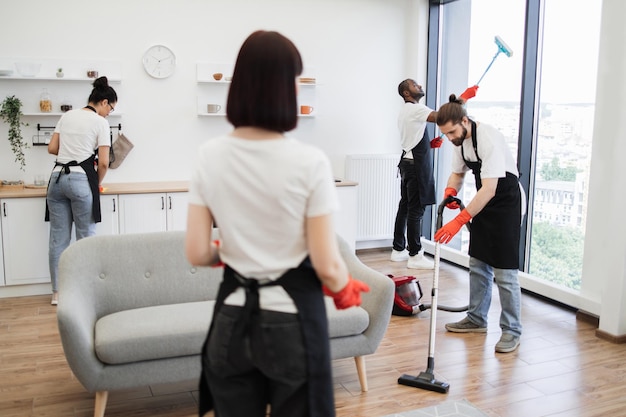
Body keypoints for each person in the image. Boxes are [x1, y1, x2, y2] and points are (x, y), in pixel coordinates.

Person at [185, 30, 370, 417]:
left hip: (231, 319)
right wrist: (344, 289)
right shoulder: (309, 162)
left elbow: (198, 252)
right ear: (285, 89)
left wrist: (227, 253)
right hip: (291, 325)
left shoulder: (209, 156)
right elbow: (325, 262)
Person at [434, 94, 523, 353]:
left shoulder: (488, 137)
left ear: (465, 120)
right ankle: (476, 319)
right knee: (478, 263)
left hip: (504, 201)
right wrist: (450, 192)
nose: (449, 138)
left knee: (505, 272)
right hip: (485, 200)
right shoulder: (460, 141)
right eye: (446, 134)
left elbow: (491, 188)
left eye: (452, 132)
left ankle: (512, 330)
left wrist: (460, 220)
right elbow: (457, 173)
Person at [391, 79, 478, 269]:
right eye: (415, 85)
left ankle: (398, 250)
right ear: (406, 93)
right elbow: (445, 118)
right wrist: (464, 97)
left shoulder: (406, 111)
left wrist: (429, 145)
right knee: (416, 210)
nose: (420, 86)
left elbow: (411, 137)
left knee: (405, 207)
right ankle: (415, 255)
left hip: (407, 163)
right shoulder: (415, 109)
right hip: (415, 167)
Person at [46, 76, 117, 306]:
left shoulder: (67, 116)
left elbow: (52, 148)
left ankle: (57, 293)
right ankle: (88, 291)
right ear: (104, 102)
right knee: (86, 238)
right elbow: (104, 163)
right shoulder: (100, 123)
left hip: (56, 179)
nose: (109, 113)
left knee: (58, 239)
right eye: (111, 108)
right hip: (80, 180)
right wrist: (96, 182)